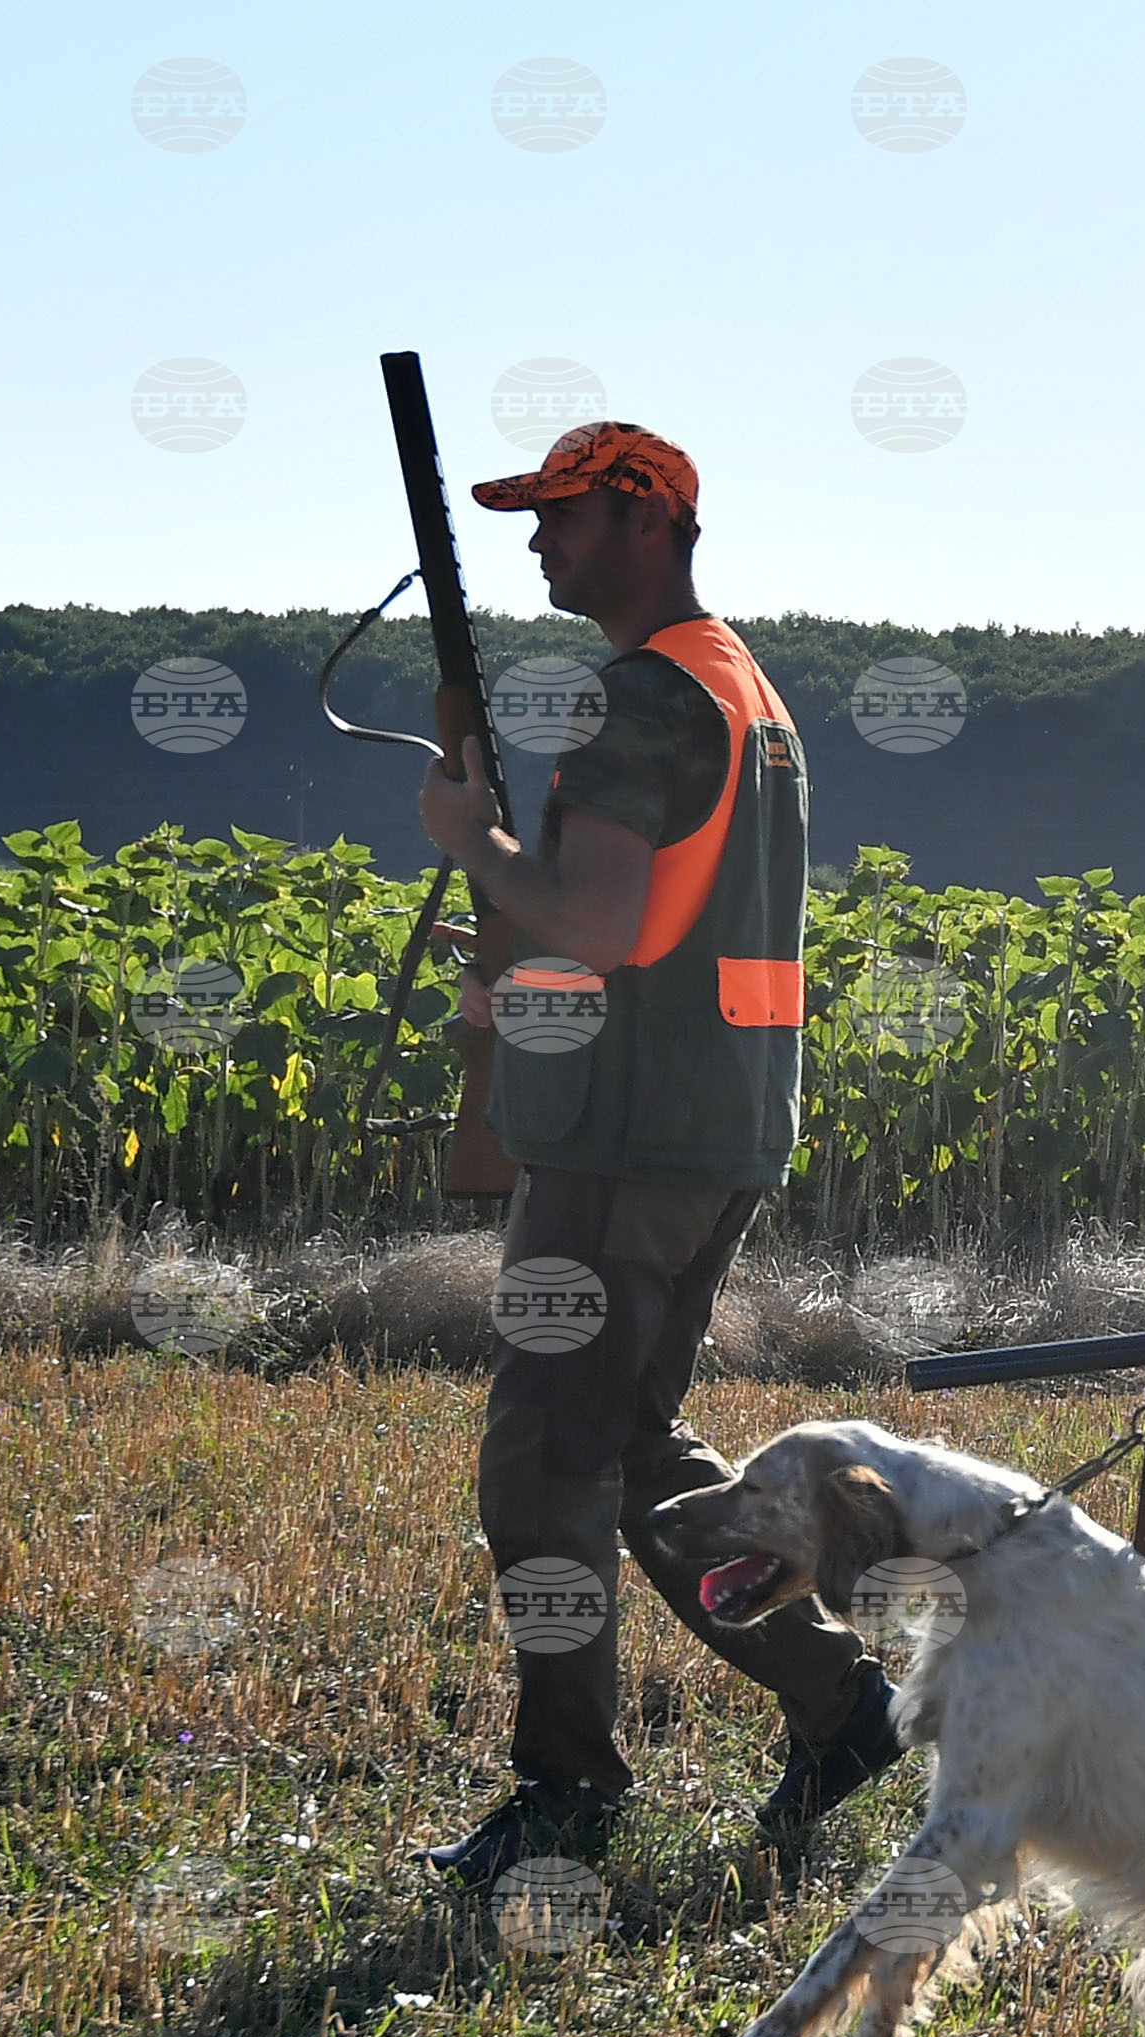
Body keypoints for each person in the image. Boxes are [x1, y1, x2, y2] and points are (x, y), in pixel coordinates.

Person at [410, 418, 900, 1885]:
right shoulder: (744, 689)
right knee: (625, 1445)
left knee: (542, 1463)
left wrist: (472, 842)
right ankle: (840, 1699)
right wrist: (523, 976)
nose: (537, 539)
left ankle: (568, 1792)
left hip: (624, 1144)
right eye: (531, 514)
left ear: (649, 519)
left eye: (563, 511)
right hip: (714, 1120)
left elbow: (606, 920)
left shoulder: (637, 698)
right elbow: (655, 924)